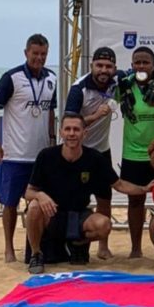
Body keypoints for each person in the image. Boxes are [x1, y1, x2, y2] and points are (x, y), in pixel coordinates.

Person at [24, 113, 154, 274]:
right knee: (33, 207)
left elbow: (119, 184)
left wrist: (143, 189)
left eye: (76, 129)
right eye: (67, 129)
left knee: (104, 225)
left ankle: (77, 244)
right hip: (52, 213)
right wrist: (40, 196)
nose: (72, 133)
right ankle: (36, 254)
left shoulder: (95, 158)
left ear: (84, 133)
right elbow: (28, 192)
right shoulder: (46, 155)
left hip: (79, 215)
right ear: (61, 132)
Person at [0, 33, 57, 263]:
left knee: (39, 204)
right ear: (26, 53)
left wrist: (52, 139)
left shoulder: (52, 78)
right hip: (15, 154)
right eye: (35, 53)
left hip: (40, 155)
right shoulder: (11, 78)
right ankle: (9, 247)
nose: (39, 58)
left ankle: (34, 248)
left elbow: (50, 112)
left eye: (44, 54)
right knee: (10, 203)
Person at [117, 46, 154, 258]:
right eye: (137, 62)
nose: (141, 66)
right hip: (132, 154)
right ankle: (136, 249)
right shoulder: (123, 86)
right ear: (132, 65)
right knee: (135, 201)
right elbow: (99, 92)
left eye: (145, 62)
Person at [64, 46, 122, 259]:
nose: (103, 70)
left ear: (114, 68)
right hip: (79, 153)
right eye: (99, 65)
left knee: (104, 198)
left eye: (108, 66)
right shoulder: (79, 89)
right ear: (91, 66)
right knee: (74, 198)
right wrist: (96, 115)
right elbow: (69, 122)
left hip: (102, 152)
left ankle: (103, 246)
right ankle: (70, 240)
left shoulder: (117, 80)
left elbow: (138, 72)